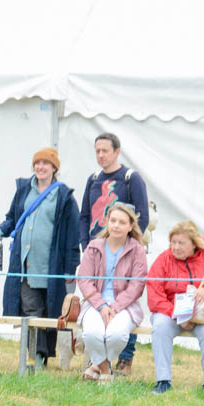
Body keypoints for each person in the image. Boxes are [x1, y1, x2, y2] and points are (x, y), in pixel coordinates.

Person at [0, 147, 81, 366]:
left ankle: (44, 355)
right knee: (30, 311)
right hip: (26, 266)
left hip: (51, 267)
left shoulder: (64, 196)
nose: (40, 167)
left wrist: (70, 268)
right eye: (37, 163)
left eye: (45, 163)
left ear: (54, 167)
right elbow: (12, 219)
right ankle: (36, 357)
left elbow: (73, 234)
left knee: (50, 312)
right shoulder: (23, 190)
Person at [81, 133, 151, 375]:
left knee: (124, 297)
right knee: (95, 313)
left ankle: (123, 359)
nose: (101, 155)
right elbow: (84, 215)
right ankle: (102, 365)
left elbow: (142, 215)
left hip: (126, 251)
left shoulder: (131, 178)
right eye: (97, 151)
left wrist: (130, 245)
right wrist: (87, 245)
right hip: (97, 252)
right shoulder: (93, 179)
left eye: (105, 151)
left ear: (117, 152)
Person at [145, 220, 204, 393]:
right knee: (160, 326)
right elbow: (154, 295)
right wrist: (177, 315)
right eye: (173, 242)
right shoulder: (163, 259)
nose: (176, 247)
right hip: (171, 313)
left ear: (194, 244)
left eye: (181, 243)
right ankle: (163, 381)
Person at [75, 202, 147, 381]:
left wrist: (115, 307)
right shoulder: (94, 246)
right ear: (107, 221)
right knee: (91, 334)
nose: (116, 225)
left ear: (131, 226)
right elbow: (84, 279)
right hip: (95, 303)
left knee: (117, 335)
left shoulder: (137, 250)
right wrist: (101, 306)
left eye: (122, 222)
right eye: (113, 220)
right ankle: (106, 371)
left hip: (125, 306)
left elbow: (137, 285)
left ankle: (95, 366)